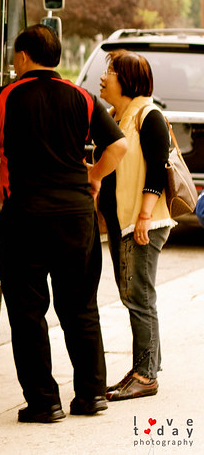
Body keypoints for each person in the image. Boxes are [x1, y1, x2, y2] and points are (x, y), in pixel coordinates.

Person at [0, 24, 127, 424]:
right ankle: (91, 395)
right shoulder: (81, 96)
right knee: (80, 307)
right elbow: (118, 145)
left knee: (28, 312)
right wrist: (94, 176)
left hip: (26, 216)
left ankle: (44, 402)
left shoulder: (7, 96)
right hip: (75, 215)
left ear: (22, 58)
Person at [95, 49, 176, 401]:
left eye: (110, 71)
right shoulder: (119, 115)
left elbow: (157, 168)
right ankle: (145, 369)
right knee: (134, 295)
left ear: (126, 80)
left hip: (142, 223)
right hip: (122, 221)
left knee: (139, 297)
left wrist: (145, 215)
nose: (103, 77)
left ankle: (145, 375)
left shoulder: (148, 114)